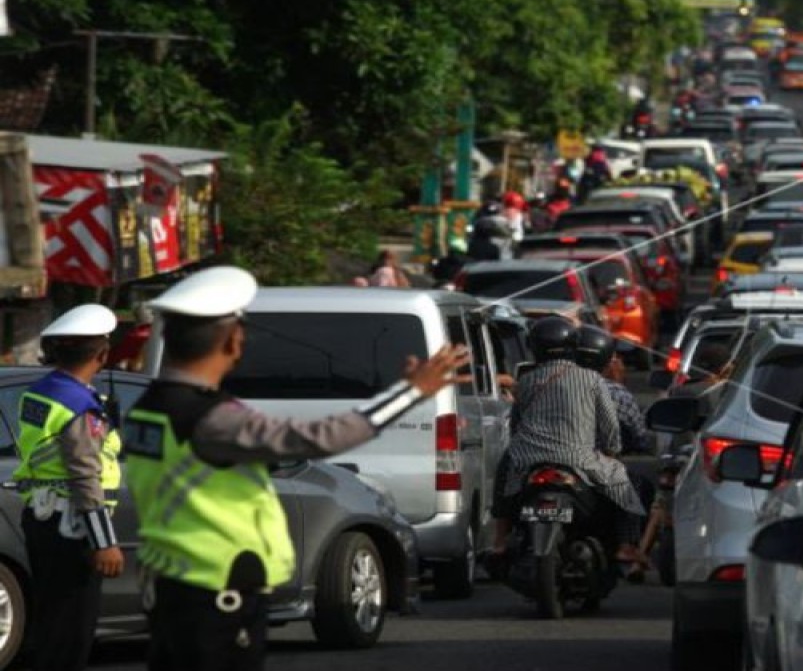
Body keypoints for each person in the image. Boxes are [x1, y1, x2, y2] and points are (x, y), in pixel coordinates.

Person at [122, 266, 470, 671]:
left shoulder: (146, 408)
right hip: (215, 588)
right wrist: (410, 391)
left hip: (168, 582)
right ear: (233, 341)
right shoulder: (209, 417)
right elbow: (319, 438)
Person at [12, 304, 124, 671]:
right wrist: (103, 542)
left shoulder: (39, 392)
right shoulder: (78, 405)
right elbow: (84, 475)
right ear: (102, 354)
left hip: (41, 518)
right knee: (72, 632)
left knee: (53, 625)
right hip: (71, 525)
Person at [488, 317, 645, 563]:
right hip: (579, 460)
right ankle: (627, 546)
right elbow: (610, 426)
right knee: (625, 485)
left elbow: (516, 426)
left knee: (504, 472)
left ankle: (499, 540)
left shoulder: (527, 380)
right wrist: (612, 453)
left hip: (529, 461)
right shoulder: (592, 380)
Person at [575, 326, 649, 455]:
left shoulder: (541, 384)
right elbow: (638, 436)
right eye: (615, 359)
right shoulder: (617, 394)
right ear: (607, 361)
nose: (620, 364)